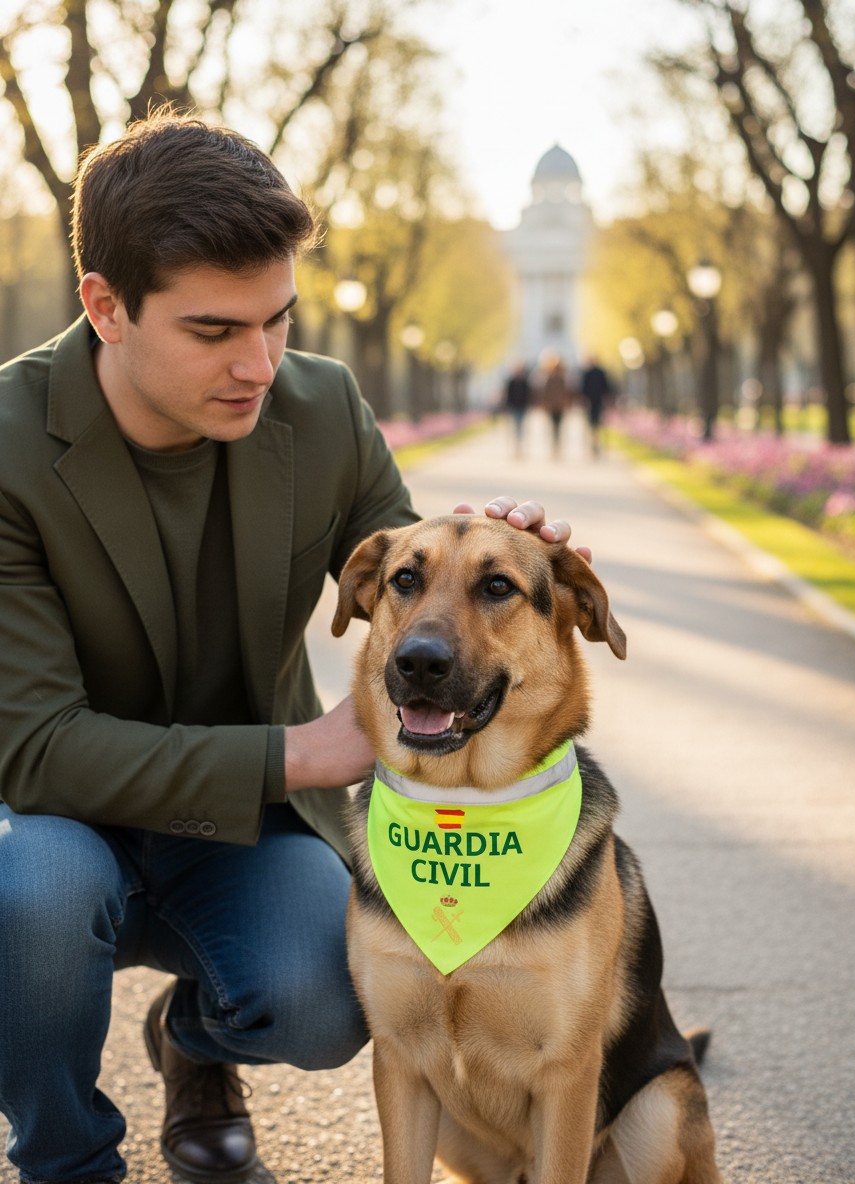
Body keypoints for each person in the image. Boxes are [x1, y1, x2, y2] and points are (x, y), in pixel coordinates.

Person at [0, 109, 577, 1184]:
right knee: (27, 890)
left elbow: (421, 605)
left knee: (330, 988)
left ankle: (194, 1042)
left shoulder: (322, 408)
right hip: (52, 819)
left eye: (278, 320)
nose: (259, 362)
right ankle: (65, 1157)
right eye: (215, 331)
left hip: (241, 836)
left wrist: (500, 565)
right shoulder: (7, 443)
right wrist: (298, 755)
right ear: (105, 307)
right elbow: (33, 746)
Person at [535, 352, 572, 458]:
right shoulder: (548, 378)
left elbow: (567, 392)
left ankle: (557, 447)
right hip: (551, 406)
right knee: (552, 427)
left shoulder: (562, 378)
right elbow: (544, 392)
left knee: (558, 427)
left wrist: (567, 402)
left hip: (559, 406)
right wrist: (544, 403)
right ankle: (554, 447)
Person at [579, 356, 614, 458]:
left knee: (595, 423)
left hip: (596, 401)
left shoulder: (593, 373)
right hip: (593, 401)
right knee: (594, 423)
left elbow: (606, 386)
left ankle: (596, 443)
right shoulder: (590, 373)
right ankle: (594, 443)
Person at [501, 360, 532, 457]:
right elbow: (507, 395)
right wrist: (507, 406)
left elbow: (528, 395)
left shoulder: (525, 382)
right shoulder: (511, 382)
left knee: (521, 427)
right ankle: (516, 447)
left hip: (522, 408)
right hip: (513, 408)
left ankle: (520, 447)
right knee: (515, 427)